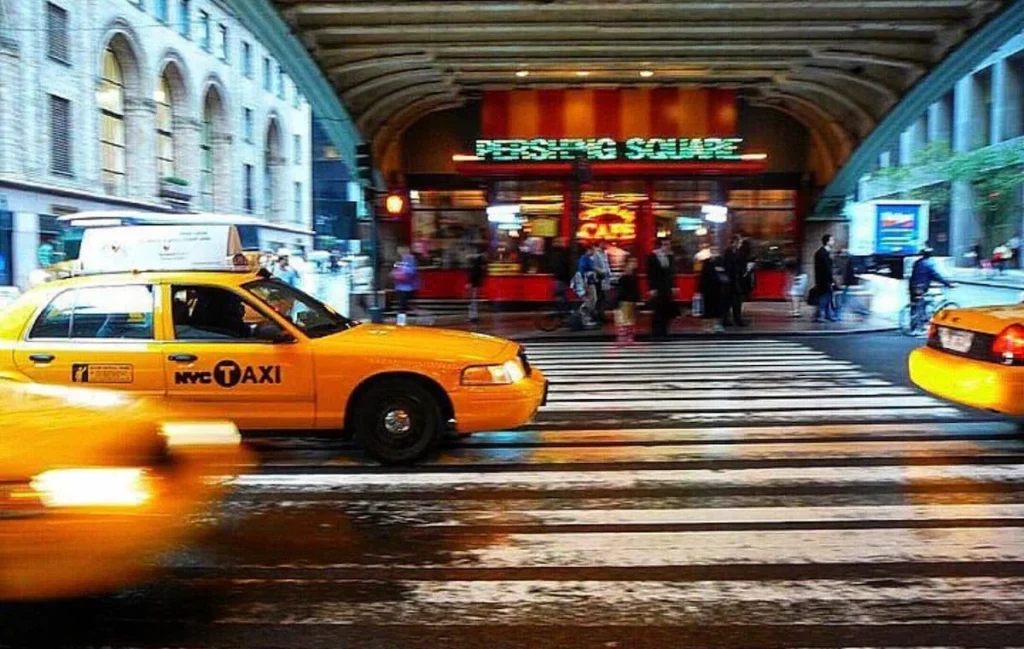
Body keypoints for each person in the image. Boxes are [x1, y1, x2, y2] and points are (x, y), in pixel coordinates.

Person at [909, 247, 954, 326]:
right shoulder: (928, 264)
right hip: (921, 287)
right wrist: (948, 284)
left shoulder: (917, 262)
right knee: (920, 304)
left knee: (915, 305)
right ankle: (920, 324)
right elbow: (936, 276)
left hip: (913, 286)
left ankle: (913, 326)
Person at [646, 237, 677, 340]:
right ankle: (655, 332)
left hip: (667, 286)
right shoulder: (652, 256)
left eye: (668, 244)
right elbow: (650, 274)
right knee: (657, 309)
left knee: (666, 309)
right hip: (657, 287)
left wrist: (674, 286)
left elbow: (672, 273)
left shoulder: (670, 256)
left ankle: (664, 331)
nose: (667, 247)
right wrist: (652, 288)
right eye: (665, 244)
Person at [722, 234, 748, 327]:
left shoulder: (736, 252)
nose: (740, 244)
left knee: (734, 301)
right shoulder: (729, 252)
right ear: (735, 242)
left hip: (735, 281)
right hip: (730, 281)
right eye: (739, 242)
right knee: (730, 302)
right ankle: (730, 319)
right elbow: (729, 267)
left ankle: (734, 319)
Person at [615, 255, 640, 346]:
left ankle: (628, 337)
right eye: (632, 262)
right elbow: (622, 287)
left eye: (635, 262)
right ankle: (624, 338)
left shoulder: (632, 274)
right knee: (625, 320)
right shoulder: (626, 275)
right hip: (625, 300)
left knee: (629, 320)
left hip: (630, 300)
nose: (634, 264)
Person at [391, 245, 419, 326]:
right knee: (403, 305)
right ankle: (402, 321)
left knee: (403, 306)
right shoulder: (400, 259)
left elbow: (411, 272)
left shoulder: (410, 259)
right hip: (400, 287)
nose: (399, 252)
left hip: (407, 287)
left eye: (401, 250)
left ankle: (401, 322)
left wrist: (400, 273)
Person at [813, 234, 838, 323]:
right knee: (824, 298)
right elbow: (826, 269)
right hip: (824, 280)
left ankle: (827, 315)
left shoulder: (824, 252)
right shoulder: (822, 253)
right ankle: (819, 316)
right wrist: (831, 281)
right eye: (832, 240)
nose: (833, 242)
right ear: (827, 242)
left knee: (828, 298)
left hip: (824, 280)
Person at [576, 244, 599, 326]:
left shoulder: (588, 259)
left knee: (593, 299)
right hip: (587, 282)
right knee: (591, 299)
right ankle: (584, 314)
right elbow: (581, 271)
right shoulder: (584, 259)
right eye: (592, 250)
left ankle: (587, 317)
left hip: (591, 281)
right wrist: (584, 282)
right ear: (588, 250)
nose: (593, 252)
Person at [550, 237, 573, 317]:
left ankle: (561, 312)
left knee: (560, 296)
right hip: (561, 279)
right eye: (564, 242)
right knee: (561, 296)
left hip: (557, 278)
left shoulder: (553, 253)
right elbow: (565, 266)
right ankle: (563, 313)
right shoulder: (562, 254)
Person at [466, 246, 487, 324]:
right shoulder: (480, 264)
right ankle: (473, 317)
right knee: (473, 301)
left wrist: (469, 283)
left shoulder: (476, 264)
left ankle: (473, 317)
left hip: (474, 285)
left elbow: (473, 274)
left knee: (472, 302)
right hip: (476, 284)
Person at [592, 242, 612, 322]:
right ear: (600, 244)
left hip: (605, 279)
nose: (606, 245)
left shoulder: (605, 253)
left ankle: (601, 315)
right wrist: (602, 271)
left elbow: (606, 264)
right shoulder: (596, 254)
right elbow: (594, 266)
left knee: (603, 298)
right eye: (604, 243)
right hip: (599, 279)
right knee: (600, 298)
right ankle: (598, 316)